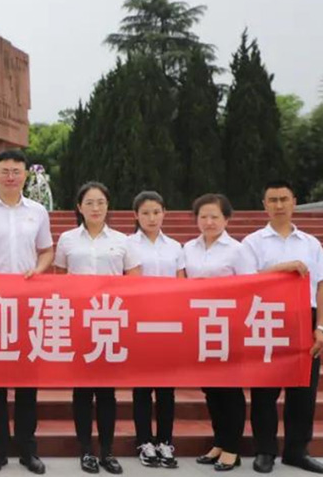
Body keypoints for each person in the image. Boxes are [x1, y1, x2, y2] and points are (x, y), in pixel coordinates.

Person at [0, 150, 53, 475]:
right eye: (5, 171)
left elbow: (47, 251)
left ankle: (28, 449)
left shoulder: (38, 212)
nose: (11, 176)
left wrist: (38, 270)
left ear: (26, 175)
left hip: (28, 305)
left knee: (28, 382)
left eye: (17, 171)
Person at [242, 181, 323, 475]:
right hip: (266, 318)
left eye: (284, 199)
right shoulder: (252, 242)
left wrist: (322, 327)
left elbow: (322, 286)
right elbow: (246, 280)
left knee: (304, 390)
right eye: (273, 200)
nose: (279, 205)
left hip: (303, 318)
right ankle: (265, 450)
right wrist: (283, 267)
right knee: (264, 391)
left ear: (295, 202)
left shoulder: (310, 243)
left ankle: (297, 451)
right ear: (264, 205)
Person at [54, 182, 137, 475]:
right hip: (78, 321)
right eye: (89, 202)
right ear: (79, 207)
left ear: (108, 205)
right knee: (82, 390)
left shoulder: (122, 240)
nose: (95, 208)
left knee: (106, 391)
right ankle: (86, 450)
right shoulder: (67, 239)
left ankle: (107, 451)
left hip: (109, 321)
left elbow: (134, 279)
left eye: (100, 202)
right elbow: (59, 277)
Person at [184, 193, 256, 473]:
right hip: (200, 326)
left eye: (215, 216)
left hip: (229, 326)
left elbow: (249, 287)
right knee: (210, 389)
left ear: (227, 219)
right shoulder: (188, 248)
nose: (209, 222)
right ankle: (219, 442)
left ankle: (232, 449)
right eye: (203, 216)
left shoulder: (238, 250)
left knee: (229, 388)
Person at [124, 191, 185, 469]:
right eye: (145, 213)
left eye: (156, 212)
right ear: (136, 215)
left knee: (166, 388)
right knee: (142, 387)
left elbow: (181, 283)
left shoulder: (175, 247)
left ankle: (165, 441)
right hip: (139, 321)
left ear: (164, 213)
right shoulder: (127, 244)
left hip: (169, 322)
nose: (151, 218)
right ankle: (144, 441)